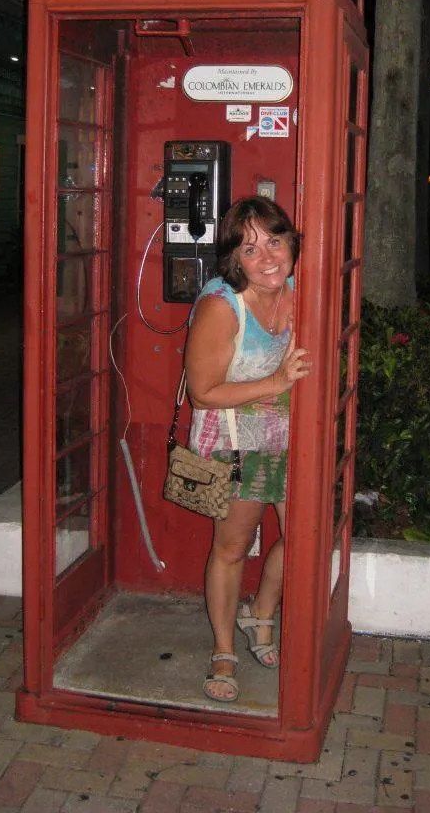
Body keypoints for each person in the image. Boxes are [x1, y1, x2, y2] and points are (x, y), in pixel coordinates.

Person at [184, 196, 311, 702]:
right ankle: (222, 648)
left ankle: (258, 613)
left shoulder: (301, 289)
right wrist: (277, 380)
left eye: (275, 242)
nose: (267, 259)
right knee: (232, 549)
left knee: (307, 537)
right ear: (234, 259)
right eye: (251, 249)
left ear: (292, 244)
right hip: (235, 443)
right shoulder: (222, 307)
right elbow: (203, 392)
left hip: (289, 437)